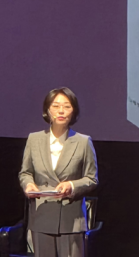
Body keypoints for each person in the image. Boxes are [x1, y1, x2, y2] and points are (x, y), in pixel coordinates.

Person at [19, 88, 98, 257]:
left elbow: (91, 179)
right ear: (47, 110)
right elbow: (25, 172)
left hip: (71, 219)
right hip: (42, 216)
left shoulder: (83, 142)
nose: (61, 111)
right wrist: (28, 184)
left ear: (73, 111)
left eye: (67, 106)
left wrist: (71, 185)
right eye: (55, 106)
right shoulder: (34, 139)